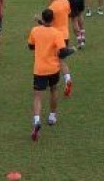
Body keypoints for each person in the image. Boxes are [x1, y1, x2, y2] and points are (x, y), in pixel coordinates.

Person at [27, 8, 74, 142]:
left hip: (39, 69)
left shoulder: (35, 30)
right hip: (53, 69)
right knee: (53, 90)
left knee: (37, 97)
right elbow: (63, 52)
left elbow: (30, 46)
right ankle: (52, 116)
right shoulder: (57, 33)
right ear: (53, 19)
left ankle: (37, 121)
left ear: (42, 18)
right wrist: (71, 50)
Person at [43, 0, 74, 95]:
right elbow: (69, 14)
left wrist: (38, 20)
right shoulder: (65, 1)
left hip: (56, 37)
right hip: (66, 35)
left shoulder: (51, 8)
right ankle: (67, 79)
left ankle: (57, 81)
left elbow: (47, 24)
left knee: (54, 60)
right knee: (61, 60)